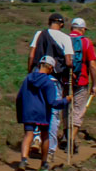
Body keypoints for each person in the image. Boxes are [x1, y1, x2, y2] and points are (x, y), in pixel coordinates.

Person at [26, 12, 74, 156]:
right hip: (54, 78)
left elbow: (31, 55)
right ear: (62, 25)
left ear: (49, 22)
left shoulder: (39, 34)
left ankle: (36, 137)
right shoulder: (66, 38)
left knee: (37, 107)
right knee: (53, 113)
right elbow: (68, 62)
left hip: (37, 76)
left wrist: (30, 73)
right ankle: (51, 150)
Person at [16, 55, 70, 171]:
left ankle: (23, 160)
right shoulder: (48, 83)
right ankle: (44, 163)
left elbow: (19, 97)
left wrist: (21, 113)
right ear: (50, 68)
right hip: (42, 113)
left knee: (28, 135)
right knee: (45, 136)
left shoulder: (28, 78)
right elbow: (52, 103)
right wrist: (66, 100)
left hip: (28, 112)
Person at [66, 17, 96, 145]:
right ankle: (72, 138)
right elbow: (92, 65)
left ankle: (64, 135)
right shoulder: (86, 42)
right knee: (78, 110)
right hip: (81, 81)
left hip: (65, 81)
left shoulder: (63, 39)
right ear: (82, 29)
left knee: (65, 108)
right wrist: (95, 84)